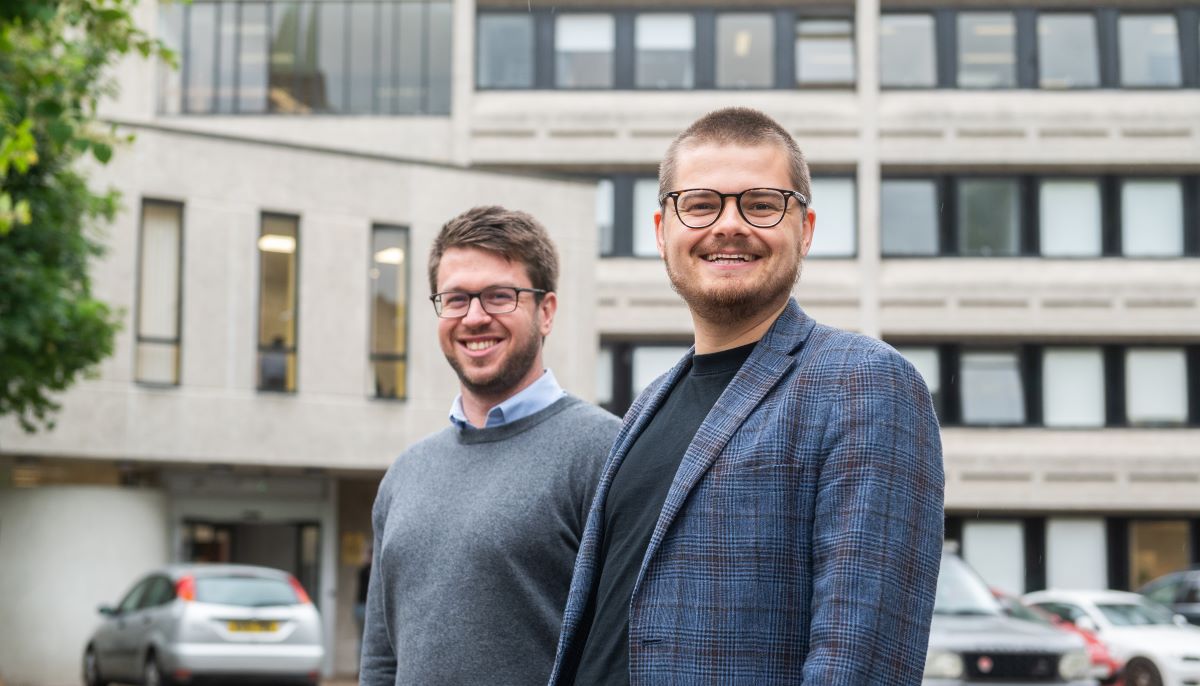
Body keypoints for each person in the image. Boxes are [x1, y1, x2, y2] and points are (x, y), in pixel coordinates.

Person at [550, 108, 945, 685]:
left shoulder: (864, 382)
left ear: (804, 229)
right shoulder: (647, 404)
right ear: (662, 230)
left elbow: (860, 663)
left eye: (760, 204)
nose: (729, 224)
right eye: (701, 204)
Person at [360, 206, 620, 685]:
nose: (475, 317)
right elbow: (381, 660)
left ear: (546, 312)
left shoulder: (606, 454)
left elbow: (628, 650)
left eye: (499, 296)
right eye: (456, 299)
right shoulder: (405, 473)